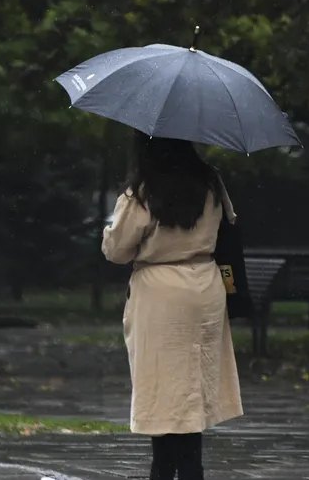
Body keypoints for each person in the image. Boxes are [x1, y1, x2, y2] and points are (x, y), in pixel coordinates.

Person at [102, 132, 243, 480]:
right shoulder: (211, 181)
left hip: (160, 291)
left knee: (162, 385)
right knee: (193, 382)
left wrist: (112, 227)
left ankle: (163, 467)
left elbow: (117, 251)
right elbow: (227, 228)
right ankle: (192, 467)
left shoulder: (144, 190)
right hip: (205, 286)